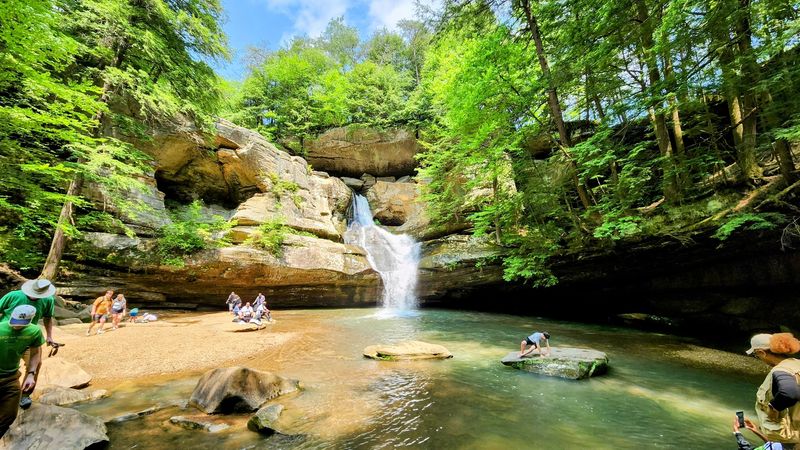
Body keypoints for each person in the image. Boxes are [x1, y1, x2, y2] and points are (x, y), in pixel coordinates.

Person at [0, 279, 56, 409]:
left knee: (35, 365)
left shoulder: (48, 300)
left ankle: (24, 394)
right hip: (5, 334)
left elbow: (48, 318)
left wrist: (49, 336)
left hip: (28, 336)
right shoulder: (13, 296)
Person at [746, 332, 800, 446]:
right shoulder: (797, 364)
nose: (759, 358)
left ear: (762, 352)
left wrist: (774, 407)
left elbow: (790, 393)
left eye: (756, 355)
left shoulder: (780, 370)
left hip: (793, 441)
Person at [0, 305, 44, 438]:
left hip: (11, 378)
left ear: (31, 319)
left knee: (9, 416)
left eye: (21, 323)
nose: (16, 326)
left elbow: (35, 353)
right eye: (15, 321)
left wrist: (31, 374)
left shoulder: (35, 331)